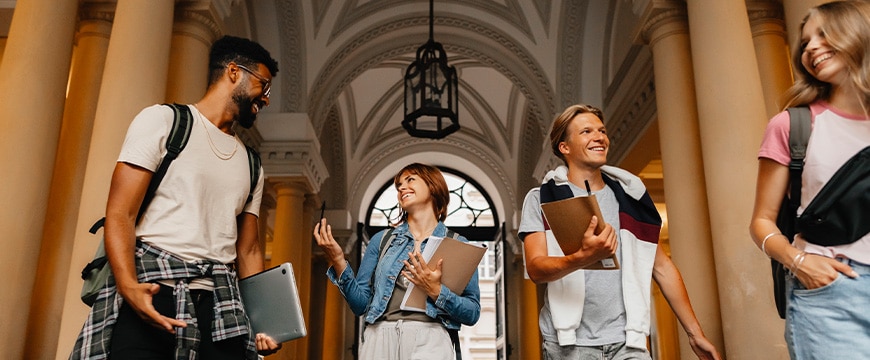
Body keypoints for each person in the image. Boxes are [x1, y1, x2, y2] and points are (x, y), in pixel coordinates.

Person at [70, 35, 281, 359]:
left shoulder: (252, 164)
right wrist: (128, 286)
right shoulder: (164, 122)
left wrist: (263, 322)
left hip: (221, 306)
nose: (265, 99)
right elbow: (121, 213)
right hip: (154, 289)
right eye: (263, 86)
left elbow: (249, 249)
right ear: (234, 72)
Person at [519, 104, 721, 360]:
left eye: (602, 131)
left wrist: (695, 333)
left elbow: (662, 267)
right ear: (564, 147)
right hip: (569, 347)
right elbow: (536, 269)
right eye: (586, 131)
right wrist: (582, 257)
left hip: (628, 342)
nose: (599, 137)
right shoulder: (541, 199)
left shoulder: (631, 197)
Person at [749, 1, 870, 358]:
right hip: (833, 292)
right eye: (805, 43)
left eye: (823, 34)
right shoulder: (794, 125)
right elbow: (761, 222)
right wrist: (799, 262)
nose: (811, 48)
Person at [314, 163, 480, 359]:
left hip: (431, 338)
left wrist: (437, 291)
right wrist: (338, 260)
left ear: (433, 186)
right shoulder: (382, 240)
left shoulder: (458, 244)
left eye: (410, 180)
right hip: (379, 337)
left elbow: (472, 313)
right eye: (399, 185)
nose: (402, 188)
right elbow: (360, 305)